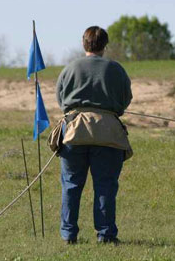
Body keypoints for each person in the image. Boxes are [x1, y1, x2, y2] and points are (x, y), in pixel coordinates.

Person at [56, 26, 132, 245]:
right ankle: (106, 235)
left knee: (71, 185)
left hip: (73, 131)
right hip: (108, 132)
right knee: (105, 186)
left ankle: (69, 235)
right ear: (105, 46)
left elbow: (61, 100)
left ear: (84, 43)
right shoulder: (116, 69)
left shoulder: (70, 68)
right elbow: (126, 98)